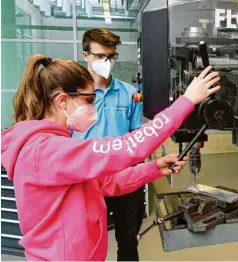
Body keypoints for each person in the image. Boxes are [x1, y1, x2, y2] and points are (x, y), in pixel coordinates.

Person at [1, 55, 220, 261]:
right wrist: (186, 101)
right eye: (88, 99)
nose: (93, 107)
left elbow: (103, 183)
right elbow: (129, 146)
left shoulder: (53, 145)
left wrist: (154, 168)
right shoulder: (44, 151)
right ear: (62, 101)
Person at [73, 28, 144, 261]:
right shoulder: (72, 96)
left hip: (124, 182)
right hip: (87, 183)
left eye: (111, 56)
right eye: (100, 56)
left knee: (128, 244)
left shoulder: (130, 94)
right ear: (86, 56)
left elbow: (137, 139)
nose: (107, 62)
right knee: (88, 245)